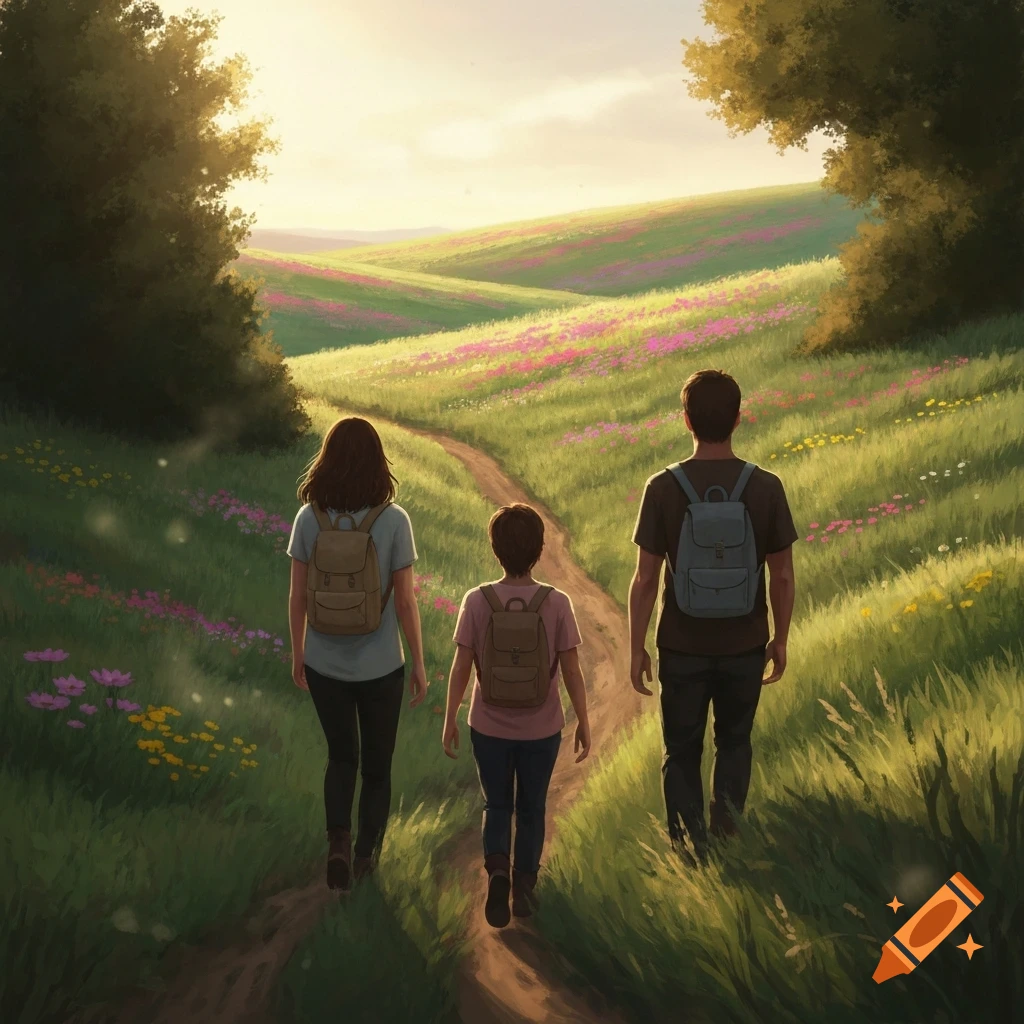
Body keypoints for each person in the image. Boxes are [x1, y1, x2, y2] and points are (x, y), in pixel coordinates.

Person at [628, 369, 797, 861]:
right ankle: (727, 839)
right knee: (735, 742)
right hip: (744, 642)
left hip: (680, 644)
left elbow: (644, 580)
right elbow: (782, 576)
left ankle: (686, 849)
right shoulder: (765, 487)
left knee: (681, 750)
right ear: (738, 419)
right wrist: (779, 638)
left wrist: (637, 646)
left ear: (686, 420)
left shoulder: (662, 487)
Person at [287, 416, 428, 894]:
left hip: (324, 664)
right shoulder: (393, 520)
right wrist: (420, 665)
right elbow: (406, 601)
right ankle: (367, 856)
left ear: (326, 460)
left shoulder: (309, 519)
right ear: (377, 461)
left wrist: (297, 651)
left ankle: (337, 846)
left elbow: (297, 595)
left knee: (341, 757)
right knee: (377, 766)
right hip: (382, 666)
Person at [442, 503, 591, 928]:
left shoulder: (477, 600)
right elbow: (572, 669)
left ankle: (498, 873)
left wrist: (451, 716)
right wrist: (582, 719)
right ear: (539, 550)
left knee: (496, 802)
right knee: (532, 807)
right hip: (541, 729)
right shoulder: (556, 602)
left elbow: (461, 665)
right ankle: (525, 885)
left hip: (487, 727)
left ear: (495, 550)